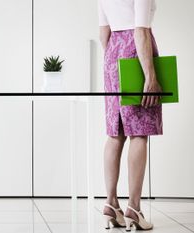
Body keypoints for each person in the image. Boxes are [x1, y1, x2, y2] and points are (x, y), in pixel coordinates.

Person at [98, 0, 162, 231]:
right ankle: (134, 208)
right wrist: (150, 76)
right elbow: (141, 31)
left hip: (112, 54)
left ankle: (111, 203)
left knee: (115, 132)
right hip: (136, 53)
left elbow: (103, 32)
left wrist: (114, 65)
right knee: (139, 132)